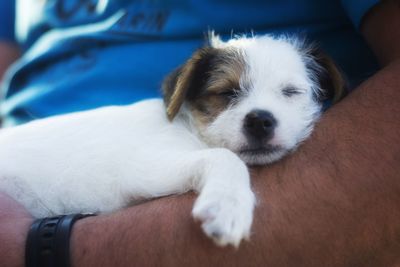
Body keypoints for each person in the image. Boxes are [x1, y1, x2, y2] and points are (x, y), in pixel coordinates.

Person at [1, 0, 399, 266]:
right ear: (182, 97)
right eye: (226, 94)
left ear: (329, 92)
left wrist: (40, 249)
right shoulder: (176, 136)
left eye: (291, 93)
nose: (259, 116)